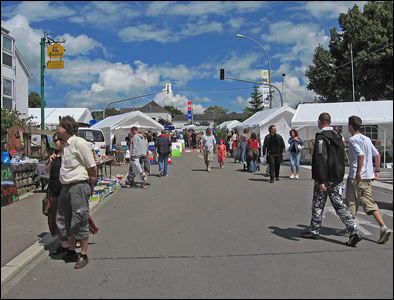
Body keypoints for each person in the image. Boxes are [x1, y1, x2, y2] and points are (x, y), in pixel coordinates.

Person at [301, 113, 362, 247]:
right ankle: (353, 229)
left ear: (320, 122)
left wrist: (321, 179)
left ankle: (315, 229)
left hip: (325, 177)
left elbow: (321, 158)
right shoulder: (339, 137)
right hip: (337, 175)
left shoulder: (322, 138)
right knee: (339, 204)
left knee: (318, 202)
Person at [336, 115, 392, 243]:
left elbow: (360, 155)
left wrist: (359, 173)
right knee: (368, 202)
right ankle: (380, 226)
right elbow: (377, 155)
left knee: (352, 202)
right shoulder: (367, 139)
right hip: (368, 177)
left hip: (357, 176)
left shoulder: (353, 140)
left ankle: (353, 228)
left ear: (350, 126)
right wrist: (376, 171)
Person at [56, 116, 97, 269]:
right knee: (64, 218)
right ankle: (71, 250)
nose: (58, 129)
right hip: (66, 186)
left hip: (78, 186)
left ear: (65, 129)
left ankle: (84, 254)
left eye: (59, 126)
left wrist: (91, 183)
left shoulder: (79, 143)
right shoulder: (66, 145)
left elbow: (91, 166)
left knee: (79, 218)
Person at [44, 133, 69, 254]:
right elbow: (47, 171)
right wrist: (51, 161)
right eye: (54, 141)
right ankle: (63, 243)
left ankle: (73, 240)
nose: (55, 143)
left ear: (63, 141)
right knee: (54, 217)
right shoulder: (55, 154)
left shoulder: (68, 154)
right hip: (54, 189)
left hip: (65, 189)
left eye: (56, 140)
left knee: (66, 217)